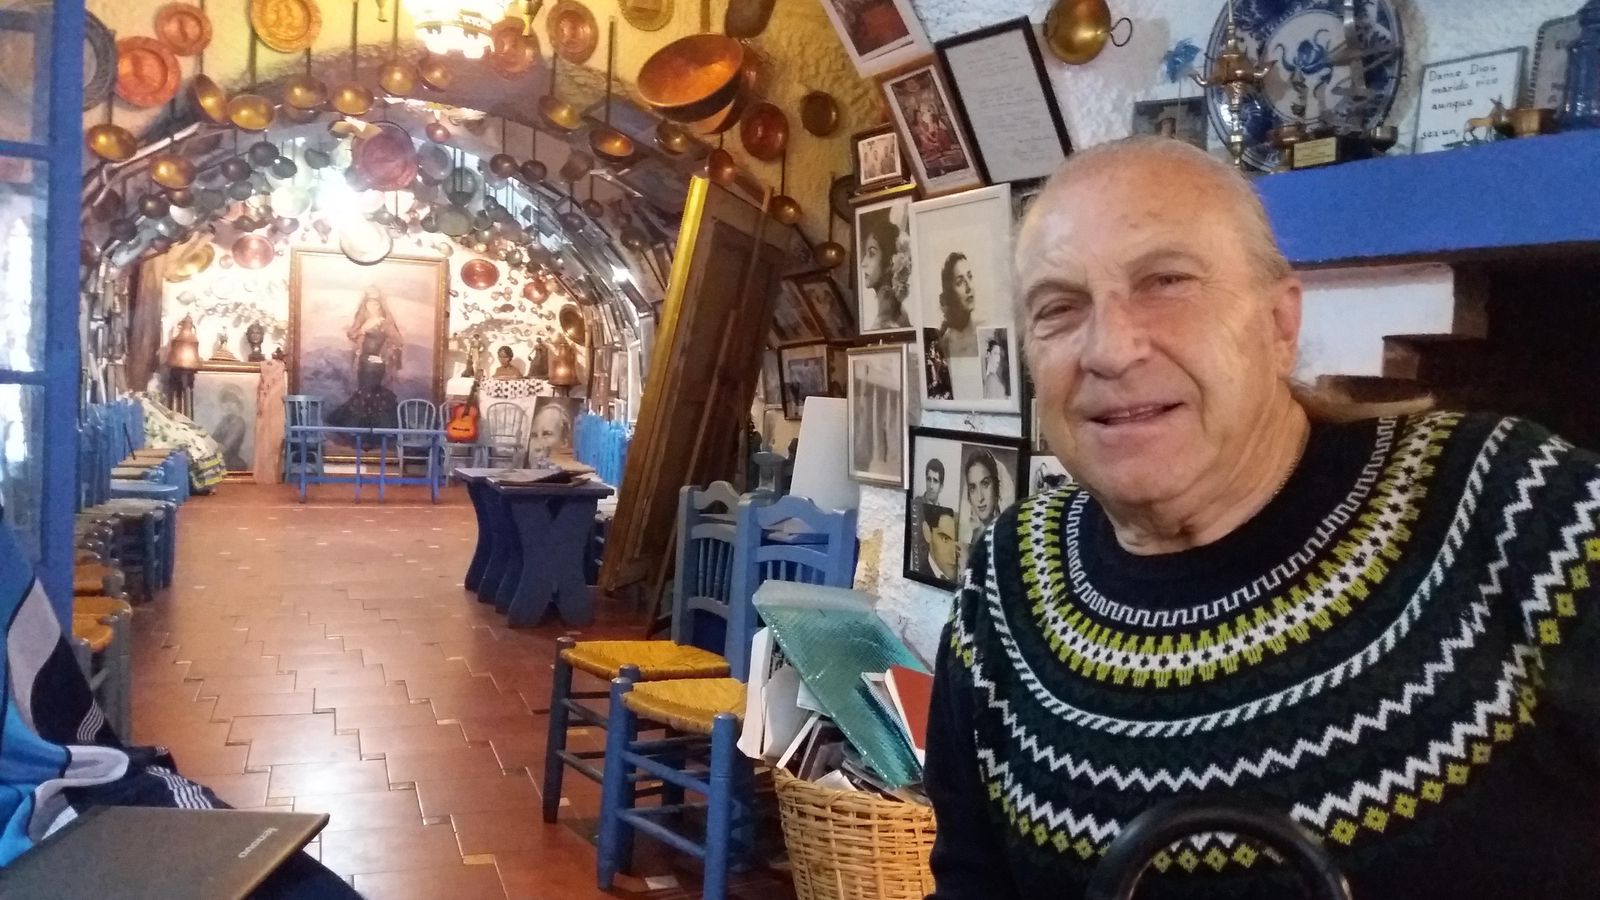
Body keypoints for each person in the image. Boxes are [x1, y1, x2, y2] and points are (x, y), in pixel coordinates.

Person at [924, 135, 1600, 899]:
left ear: (1280, 326)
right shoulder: (1008, 583)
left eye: (1166, 281)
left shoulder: (1519, 508)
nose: (1110, 348)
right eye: (1059, 309)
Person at [327, 287, 403, 429]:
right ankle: (363, 429)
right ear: (365, 304)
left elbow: (398, 341)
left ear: (380, 305)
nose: (372, 307)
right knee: (363, 391)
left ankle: (371, 430)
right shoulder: (364, 319)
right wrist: (363, 329)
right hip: (363, 362)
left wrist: (382, 358)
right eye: (369, 303)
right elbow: (352, 334)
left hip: (376, 364)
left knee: (369, 392)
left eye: (376, 304)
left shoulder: (384, 321)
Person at [859, 209, 910, 330]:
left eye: (871, 253)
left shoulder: (888, 322)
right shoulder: (895, 312)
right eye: (865, 254)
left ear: (889, 262)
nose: (863, 263)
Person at [938, 252, 978, 358]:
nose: (968, 287)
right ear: (950, 293)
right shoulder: (945, 343)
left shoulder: (987, 334)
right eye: (960, 282)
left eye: (970, 277)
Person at [211, 385, 249, 471]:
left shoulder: (239, 423)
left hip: (231, 463)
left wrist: (209, 444)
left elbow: (225, 448)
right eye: (225, 401)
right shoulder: (224, 421)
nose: (228, 405)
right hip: (220, 460)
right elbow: (212, 438)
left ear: (238, 404)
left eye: (232, 401)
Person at [920, 503, 959, 583]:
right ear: (927, 532)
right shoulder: (920, 575)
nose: (954, 556)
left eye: (958, 541)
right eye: (945, 539)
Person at [982, 333, 1009, 398]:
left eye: (999, 354)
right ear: (989, 355)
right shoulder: (991, 380)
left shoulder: (995, 378)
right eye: (995, 353)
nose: (998, 358)